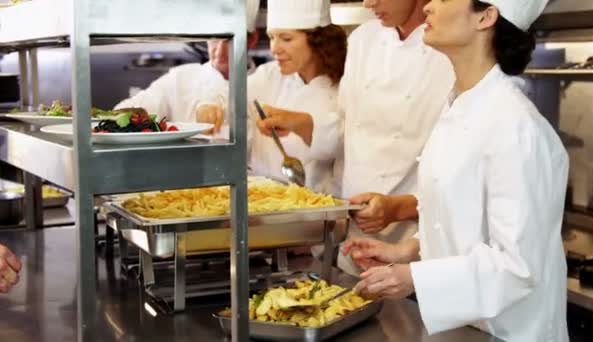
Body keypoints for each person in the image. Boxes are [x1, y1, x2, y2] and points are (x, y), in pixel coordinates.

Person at [343, 0, 569, 340]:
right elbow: (462, 215)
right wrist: (408, 251)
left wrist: (414, 278)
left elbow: (518, 268)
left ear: (486, 16)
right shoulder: (460, 107)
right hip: (464, 328)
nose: (430, 5)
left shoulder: (515, 127)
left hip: (509, 332)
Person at [256, 0, 455, 273]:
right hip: (357, 235)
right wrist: (303, 124)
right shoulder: (363, 39)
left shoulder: (450, 46)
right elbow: (347, 127)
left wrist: (399, 209)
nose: (368, 2)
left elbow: (459, 167)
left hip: (416, 239)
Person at [197, 0, 348, 195]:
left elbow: (342, 145)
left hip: (311, 208)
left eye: (286, 38)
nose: (274, 48)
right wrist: (210, 106)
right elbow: (227, 95)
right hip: (257, 198)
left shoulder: (343, 88)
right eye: (271, 37)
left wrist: (299, 123)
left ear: (318, 41)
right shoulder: (269, 75)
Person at [113, 0, 260, 122]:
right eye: (214, 38)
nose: (220, 51)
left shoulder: (267, 83)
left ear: (252, 40)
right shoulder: (180, 80)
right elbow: (122, 114)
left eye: (229, 41)